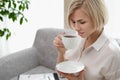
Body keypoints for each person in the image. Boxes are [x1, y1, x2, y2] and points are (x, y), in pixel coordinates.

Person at [53, 0, 120, 80]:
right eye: (74, 22)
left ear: (98, 17)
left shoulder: (112, 54)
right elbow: (62, 75)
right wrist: (61, 52)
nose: (76, 28)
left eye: (82, 22)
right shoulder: (78, 38)